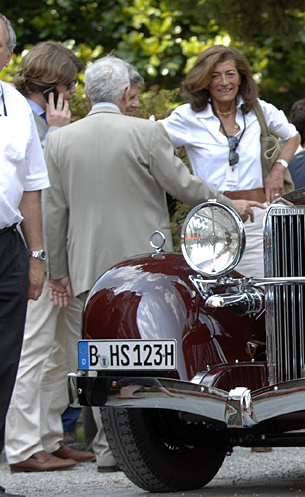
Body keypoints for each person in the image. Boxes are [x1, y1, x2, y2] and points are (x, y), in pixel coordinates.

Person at [42, 56, 256, 473]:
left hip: (86, 264)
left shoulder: (60, 140)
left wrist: (56, 270)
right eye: (134, 95)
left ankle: (106, 447)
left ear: (88, 95)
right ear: (126, 94)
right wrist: (230, 204)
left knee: (97, 353)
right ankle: (136, 445)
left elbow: (54, 211)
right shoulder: (146, 132)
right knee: (146, 352)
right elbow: (185, 185)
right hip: (144, 263)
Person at [5, 40, 89, 475]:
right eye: (69, 83)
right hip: (33, 247)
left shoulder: (50, 120)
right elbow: (39, 189)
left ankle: (50, 437)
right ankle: (21, 446)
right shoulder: (23, 117)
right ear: (50, 83)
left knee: (62, 350)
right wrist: (58, 133)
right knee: (32, 348)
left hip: (63, 249)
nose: (73, 92)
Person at [161, 45, 299, 277]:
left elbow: (293, 136)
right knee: (215, 295)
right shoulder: (187, 117)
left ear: (241, 78)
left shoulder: (259, 111)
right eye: (215, 75)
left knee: (258, 293)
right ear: (205, 81)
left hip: (256, 221)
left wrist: (278, 168)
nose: (224, 82)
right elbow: (151, 142)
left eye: (230, 74)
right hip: (210, 221)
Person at [0, 12, 45, 497]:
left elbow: (32, 188)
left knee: (5, 361)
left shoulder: (15, 105)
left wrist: (36, 256)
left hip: (8, 245)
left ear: (9, 54)